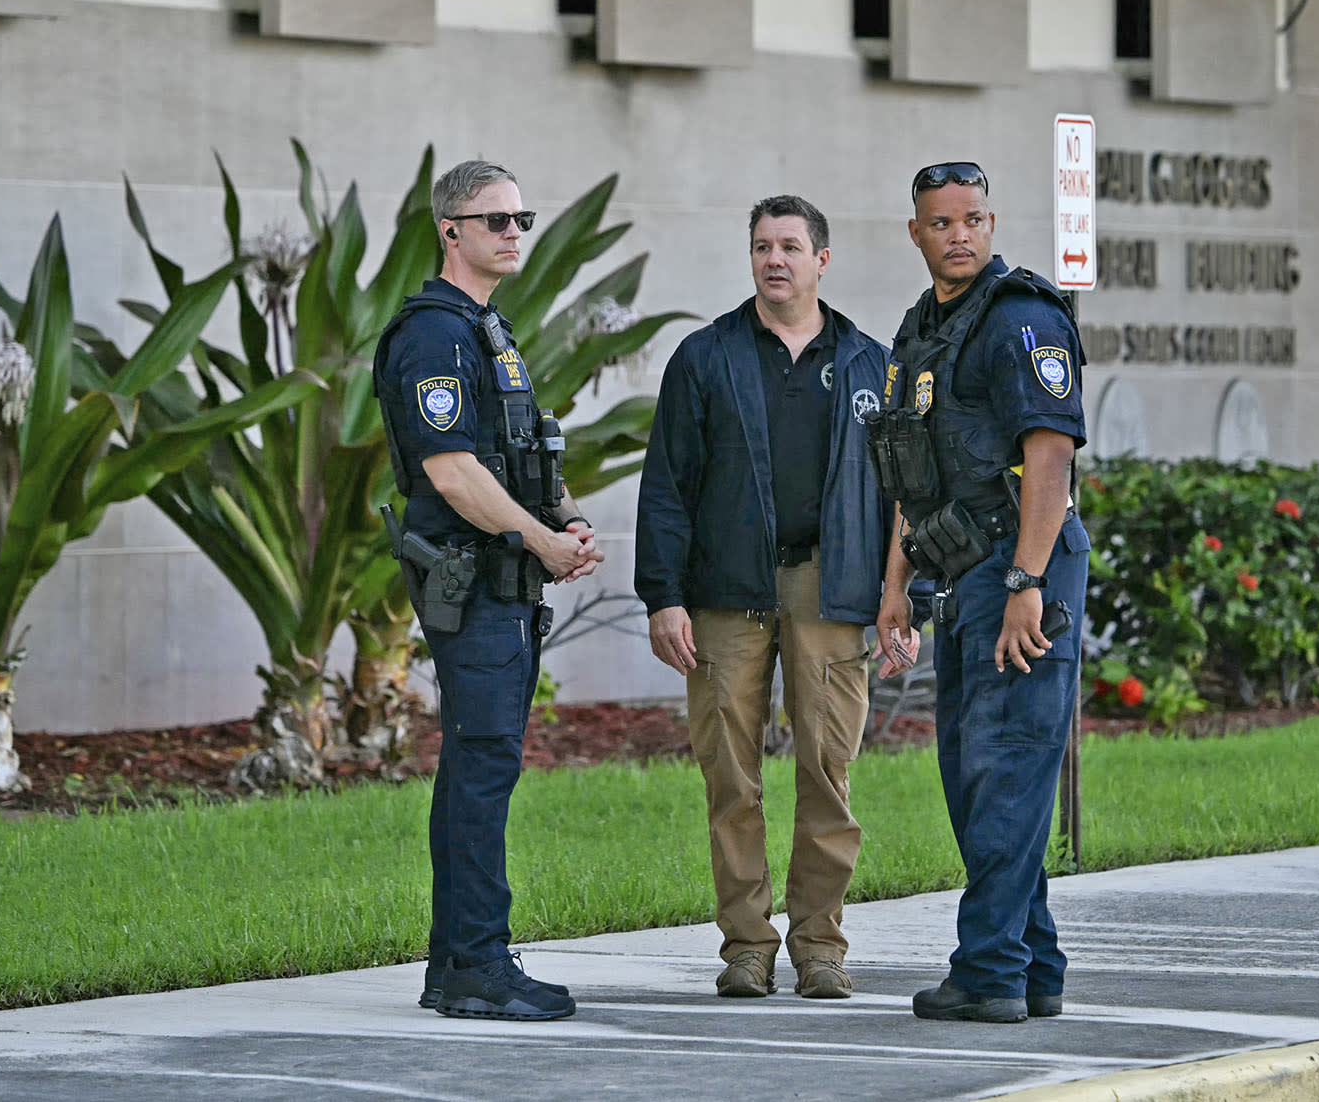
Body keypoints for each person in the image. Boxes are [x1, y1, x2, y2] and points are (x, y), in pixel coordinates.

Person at [635, 194, 893, 1000]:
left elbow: (897, 494)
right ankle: (747, 946)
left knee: (827, 770)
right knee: (732, 779)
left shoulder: (867, 362)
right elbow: (667, 485)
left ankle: (821, 945)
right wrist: (662, 597)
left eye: (789, 245)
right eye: (760, 246)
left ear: (822, 258)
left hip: (833, 586)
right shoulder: (705, 356)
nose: (773, 258)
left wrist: (900, 596)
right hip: (724, 592)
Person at [373, 158, 603, 1021]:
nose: (513, 232)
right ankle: (475, 965)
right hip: (472, 587)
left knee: (481, 765)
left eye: (522, 219)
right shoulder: (433, 335)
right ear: (451, 231)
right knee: (481, 767)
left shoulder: (485, 329)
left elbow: (522, 455)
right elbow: (453, 471)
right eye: (496, 219)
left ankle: (457, 964)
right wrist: (541, 541)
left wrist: (566, 521)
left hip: (504, 581)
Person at [871, 161, 1091, 1024]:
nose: (958, 234)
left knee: (1008, 768)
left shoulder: (1021, 319)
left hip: (1025, 570)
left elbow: (1051, 456)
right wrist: (898, 588)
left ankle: (990, 968)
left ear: (992, 225)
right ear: (916, 232)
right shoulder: (921, 331)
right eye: (941, 221)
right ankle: (1034, 964)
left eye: (973, 219)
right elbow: (907, 471)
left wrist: (1028, 583)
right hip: (961, 573)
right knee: (974, 772)